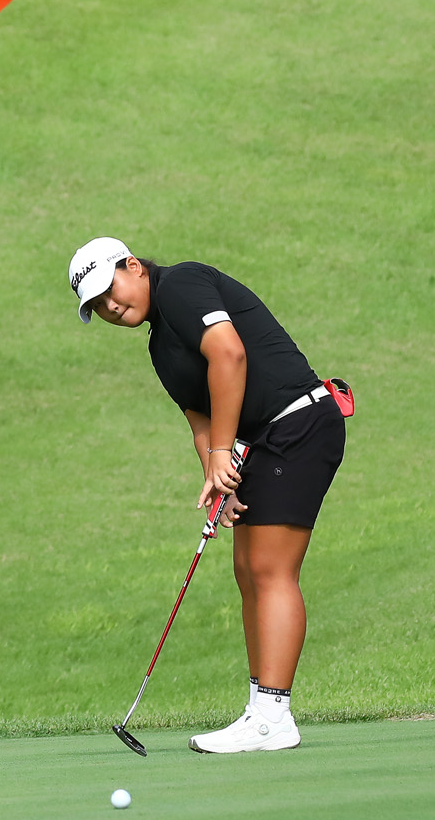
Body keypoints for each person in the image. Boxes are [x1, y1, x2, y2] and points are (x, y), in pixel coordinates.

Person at [69, 236, 345, 753]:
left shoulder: (182, 284)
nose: (110, 306)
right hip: (266, 441)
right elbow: (199, 417)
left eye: (110, 289)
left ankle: (273, 717)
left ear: (133, 266)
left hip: (300, 422)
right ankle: (263, 709)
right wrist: (217, 473)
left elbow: (229, 353)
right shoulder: (159, 348)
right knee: (248, 571)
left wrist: (225, 449)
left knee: (270, 570)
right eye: (97, 306)